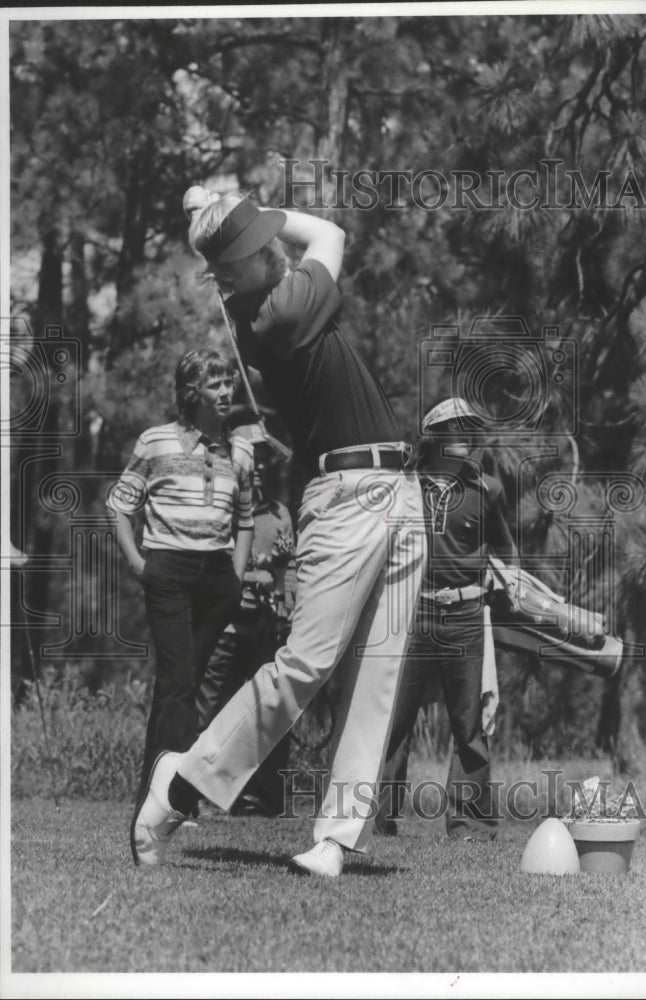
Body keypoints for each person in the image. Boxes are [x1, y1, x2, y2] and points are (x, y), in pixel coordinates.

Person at [130, 187, 426, 877]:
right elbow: (328, 232)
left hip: (395, 489)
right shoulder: (277, 311)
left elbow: (306, 239)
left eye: (252, 249)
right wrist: (252, 205)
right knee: (307, 663)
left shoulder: (267, 298)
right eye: (240, 258)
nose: (260, 255)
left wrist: (232, 211)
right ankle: (180, 784)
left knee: (375, 677)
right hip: (350, 494)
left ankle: (333, 840)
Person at [106, 349, 254, 795]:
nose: (227, 391)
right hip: (167, 569)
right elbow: (119, 505)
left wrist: (236, 576)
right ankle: (173, 798)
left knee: (183, 682)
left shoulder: (241, 449)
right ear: (193, 392)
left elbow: (245, 519)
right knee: (179, 681)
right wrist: (138, 563)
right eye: (216, 384)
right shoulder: (155, 441)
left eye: (229, 381)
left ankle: (156, 790)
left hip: (217, 577)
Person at [376, 397, 517, 841]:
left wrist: (501, 583)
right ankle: (376, 818)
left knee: (468, 723)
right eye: (453, 428)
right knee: (394, 719)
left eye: (469, 429)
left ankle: (470, 824)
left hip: (466, 616)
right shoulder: (404, 487)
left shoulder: (487, 488)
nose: (463, 436)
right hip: (412, 613)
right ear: (433, 436)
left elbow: (506, 550)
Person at [197, 431, 297, 817]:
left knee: (267, 711)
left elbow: (291, 572)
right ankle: (197, 797)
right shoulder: (218, 510)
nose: (256, 473)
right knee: (209, 713)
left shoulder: (278, 514)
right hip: (224, 628)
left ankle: (261, 797)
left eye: (264, 466)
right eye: (250, 464)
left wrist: (288, 597)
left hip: (265, 628)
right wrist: (257, 574)